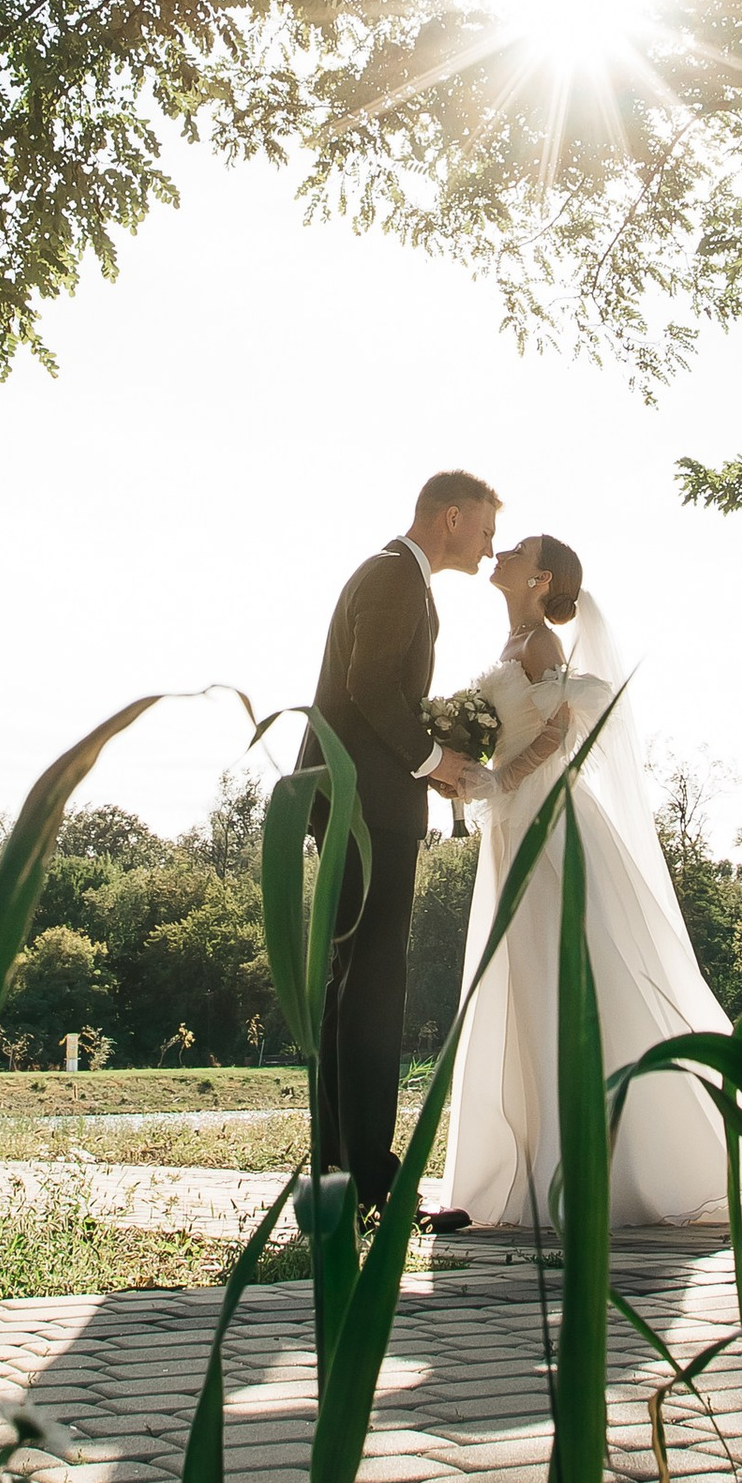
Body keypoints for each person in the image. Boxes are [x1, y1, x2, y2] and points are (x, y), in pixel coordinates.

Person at [432, 532, 742, 1233]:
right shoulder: (510, 647)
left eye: (515, 550)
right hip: (512, 822)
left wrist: (500, 778)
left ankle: (597, 1161)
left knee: (564, 970)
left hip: (547, 818)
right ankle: (520, 1167)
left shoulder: (543, 646)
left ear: (541, 579)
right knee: (521, 978)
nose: (502, 555)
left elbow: (557, 735)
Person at [300, 468, 499, 1211]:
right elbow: (368, 686)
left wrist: (431, 765)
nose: (489, 546)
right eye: (484, 529)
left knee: (355, 985)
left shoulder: (398, 579)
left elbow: (381, 695)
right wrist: (433, 760)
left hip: (366, 797)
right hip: (362, 804)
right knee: (374, 984)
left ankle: (338, 1174)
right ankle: (368, 1182)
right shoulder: (391, 576)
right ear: (451, 517)